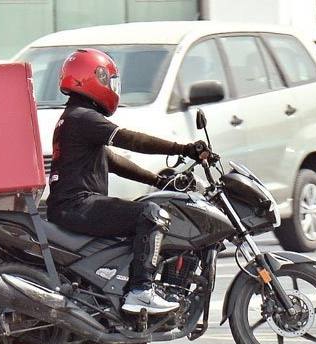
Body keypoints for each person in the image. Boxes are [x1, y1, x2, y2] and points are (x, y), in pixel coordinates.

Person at [46, 48, 210, 314]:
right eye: (108, 80)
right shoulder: (84, 118)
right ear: (94, 77)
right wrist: (183, 148)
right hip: (78, 205)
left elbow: (113, 161)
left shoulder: (75, 118)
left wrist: (158, 180)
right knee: (151, 214)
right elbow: (131, 140)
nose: (112, 87)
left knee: (143, 209)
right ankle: (141, 291)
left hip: (71, 205)